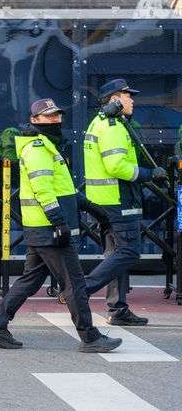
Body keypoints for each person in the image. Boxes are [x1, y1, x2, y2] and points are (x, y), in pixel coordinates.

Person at [0, 98, 122, 353]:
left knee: (30, 281)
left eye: (57, 115)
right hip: (48, 228)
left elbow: (63, 189)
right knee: (74, 283)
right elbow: (43, 189)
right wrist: (58, 221)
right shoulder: (38, 147)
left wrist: (90, 207)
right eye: (48, 116)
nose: (55, 119)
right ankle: (89, 337)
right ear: (34, 120)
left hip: (42, 227)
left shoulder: (48, 145)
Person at [83, 79, 167, 326]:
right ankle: (82, 290)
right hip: (119, 201)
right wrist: (149, 174)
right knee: (129, 252)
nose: (133, 100)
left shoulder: (99, 123)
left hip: (104, 202)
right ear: (114, 99)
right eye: (128, 96)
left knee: (114, 256)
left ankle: (117, 309)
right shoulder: (113, 127)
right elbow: (116, 166)